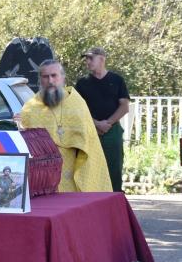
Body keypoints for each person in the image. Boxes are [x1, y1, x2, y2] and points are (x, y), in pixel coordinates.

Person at [18, 60, 111, 193]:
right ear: (40, 80)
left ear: (62, 78)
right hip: (43, 178)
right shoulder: (30, 108)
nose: (50, 80)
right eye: (45, 77)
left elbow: (89, 141)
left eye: (54, 75)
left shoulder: (77, 103)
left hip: (72, 172)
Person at [75, 47, 131, 193]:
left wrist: (108, 123)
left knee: (114, 168)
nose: (87, 61)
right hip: (90, 130)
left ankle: (116, 202)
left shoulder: (117, 80)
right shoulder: (82, 83)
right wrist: (96, 123)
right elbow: (78, 109)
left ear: (102, 59)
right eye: (86, 59)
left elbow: (124, 106)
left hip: (112, 130)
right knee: (89, 168)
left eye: (90, 58)